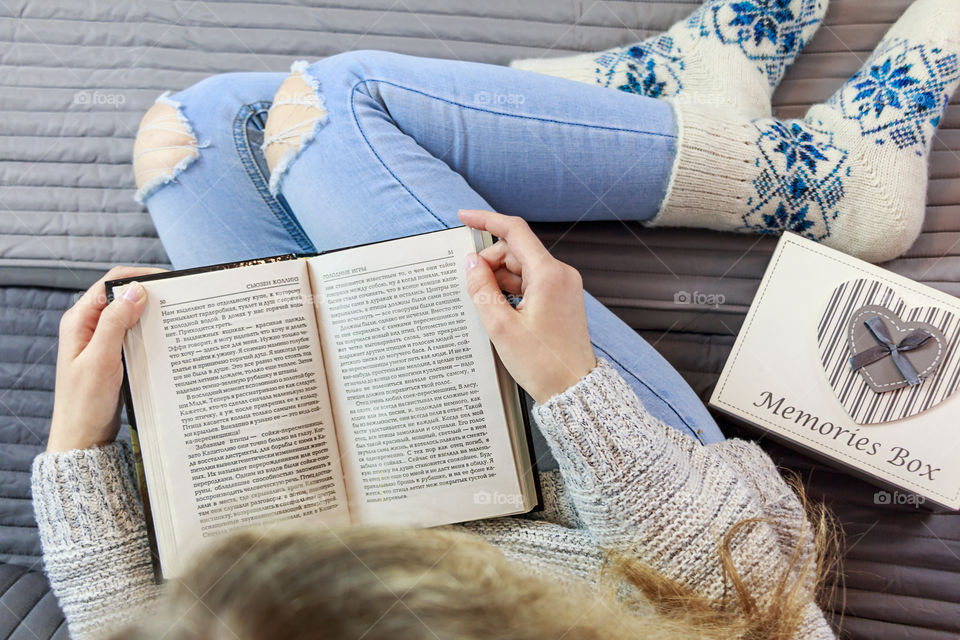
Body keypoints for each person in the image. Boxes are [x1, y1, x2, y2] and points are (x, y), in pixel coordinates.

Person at [31, 0, 959, 637]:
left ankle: (679, 98)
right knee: (330, 110)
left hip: (308, 514)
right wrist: (570, 388)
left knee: (192, 135)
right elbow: (751, 603)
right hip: (625, 516)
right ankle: (815, 178)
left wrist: (79, 451)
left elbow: (124, 628)